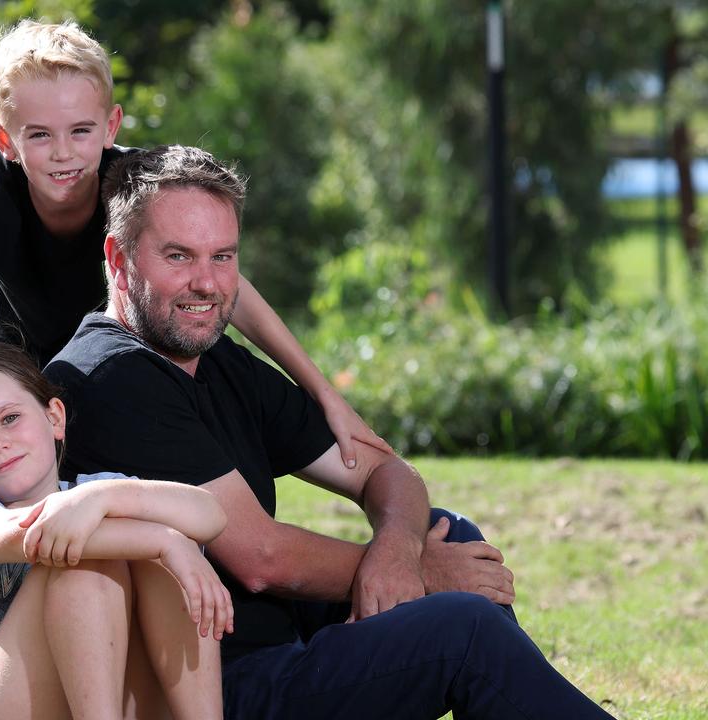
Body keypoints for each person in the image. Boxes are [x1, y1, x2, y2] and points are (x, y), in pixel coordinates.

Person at [43, 144, 615, 719]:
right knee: (463, 628)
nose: (207, 283)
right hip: (219, 683)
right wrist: (421, 571)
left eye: (223, 257)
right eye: (178, 256)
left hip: (279, 635)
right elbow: (260, 558)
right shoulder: (109, 377)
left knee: (450, 532)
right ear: (118, 259)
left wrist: (397, 548)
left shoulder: (213, 359)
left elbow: (382, 467)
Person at [0, 19, 387, 471]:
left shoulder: (134, 186)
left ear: (110, 126)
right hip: (23, 338)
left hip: (117, 337)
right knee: (37, 446)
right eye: (39, 134)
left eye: (80, 131)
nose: (63, 152)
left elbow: (229, 285)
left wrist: (324, 392)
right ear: (5, 140)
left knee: (182, 375)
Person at [0, 343, 231, 720]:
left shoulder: (98, 493)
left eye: (9, 418)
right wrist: (165, 539)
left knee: (143, 550)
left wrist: (103, 497)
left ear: (54, 417)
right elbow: (30, 535)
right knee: (81, 562)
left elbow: (211, 514)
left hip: (109, 699)